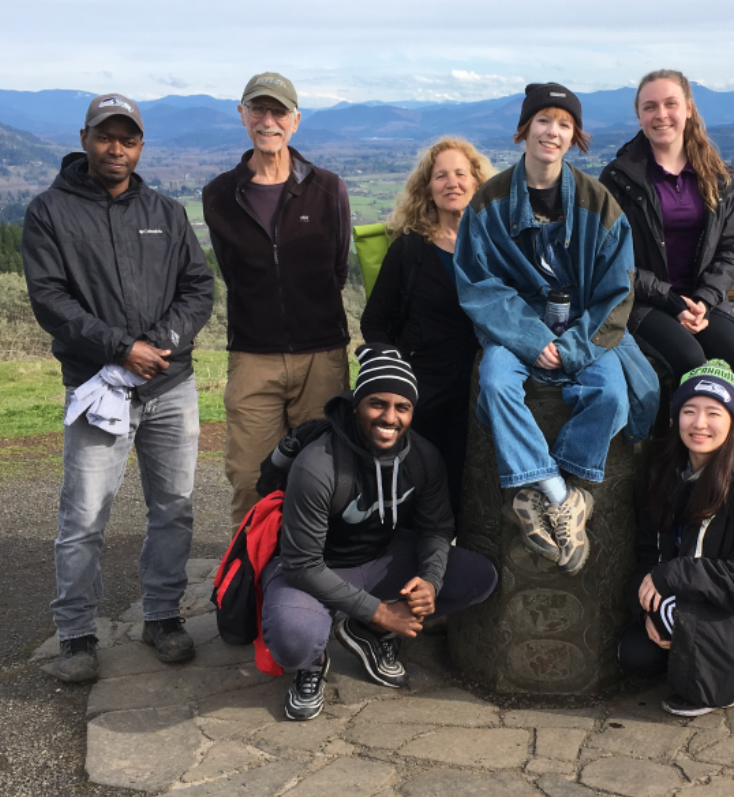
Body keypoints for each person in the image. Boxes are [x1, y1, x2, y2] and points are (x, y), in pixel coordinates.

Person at [23, 94, 215, 681]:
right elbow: (49, 299)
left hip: (169, 385)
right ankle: (76, 634)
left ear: (139, 145)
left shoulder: (166, 210)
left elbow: (198, 288)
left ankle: (162, 617)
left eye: (127, 139)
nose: (116, 148)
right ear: (84, 139)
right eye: (106, 137)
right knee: (83, 516)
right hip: (97, 387)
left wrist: (159, 342)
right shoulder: (49, 212)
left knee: (174, 511)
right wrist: (119, 348)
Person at [450, 82, 658, 577]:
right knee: (497, 383)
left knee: (612, 394)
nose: (553, 131)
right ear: (526, 129)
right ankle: (559, 495)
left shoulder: (598, 203)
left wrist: (572, 347)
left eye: (564, 124)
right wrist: (531, 339)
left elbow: (617, 293)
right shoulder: (489, 203)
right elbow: (478, 285)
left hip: (584, 332)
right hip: (514, 333)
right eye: (544, 120)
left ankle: (544, 492)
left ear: (575, 137)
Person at [261, 346, 498, 721]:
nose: (390, 417)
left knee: (478, 577)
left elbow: (436, 527)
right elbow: (301, 564)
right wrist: (381, 611)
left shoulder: (422, 457)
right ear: (356, 405)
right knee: (293, 641)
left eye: (402, 407)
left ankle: (364, 630)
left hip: (381, 558)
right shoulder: (318, 464)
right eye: (377, 404)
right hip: (313, 570)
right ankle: (314, 662)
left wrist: (431, 581)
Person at [203, 72, 352, 532]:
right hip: (252, 357)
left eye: (279, 112)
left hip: (321, 355)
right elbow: (233, 272)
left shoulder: (329, 188)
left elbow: (337, 269)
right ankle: (249, 589)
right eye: (259, 110)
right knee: (250, 479)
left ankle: (319, 583)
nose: (269, 121)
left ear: (296, 121)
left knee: (325, 477)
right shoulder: (218, 196)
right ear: (243, 116)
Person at [618, 361, 734, 716]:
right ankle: (683, 641)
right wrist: (646, 610)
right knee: (634, 654)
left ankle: (724, 670)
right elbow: (648, 553)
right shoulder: (666, 472)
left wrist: (673, 578)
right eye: (689, 411)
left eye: (714, 412)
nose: (699, 424)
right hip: (688, 596)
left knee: (702, 682)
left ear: (733, 421)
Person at [601, 69, 734, 437]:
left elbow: (732, 246)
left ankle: (733, 464)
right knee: (691, 361)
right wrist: (672, 301)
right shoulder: (619, 177)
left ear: (688, 108)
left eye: (670, 104)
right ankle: (676, 466)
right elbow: (611, 260)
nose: (661, 115)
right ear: (639, 116)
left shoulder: (716, 175)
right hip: (643, 301)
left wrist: (704, 298)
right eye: (650, 107)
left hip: (704, 301)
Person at [361, 138, 494, 517]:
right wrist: (394, 372)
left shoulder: (495, 247)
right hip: (423, 390)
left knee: (466, 488)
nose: (451, 182)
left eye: (460, 174)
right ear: (428, 189)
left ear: (477, 183)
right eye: (440, 176)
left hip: (479, 389)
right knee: (414, 487)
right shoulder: (410, 250)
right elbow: (374, 320)